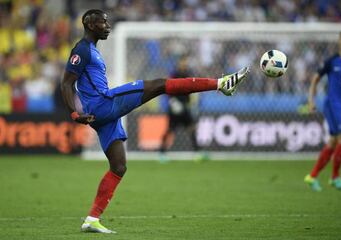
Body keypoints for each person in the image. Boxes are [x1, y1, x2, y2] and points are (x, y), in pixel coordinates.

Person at [61, 9, 249, 233]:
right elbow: (66, 83)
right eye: (103, 22)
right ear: (90, 25)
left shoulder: (92, 50)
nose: (107, 26)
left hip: (101, 115)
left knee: (119, 166)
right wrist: (74, 113)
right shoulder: (81, 49)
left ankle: (92, 219)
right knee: (159, 85)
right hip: (103, 104)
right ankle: (221, 84)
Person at [304, 28, 341, 192]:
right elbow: (315, 79)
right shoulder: (332, 61)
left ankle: (312, 176)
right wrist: (311, 101)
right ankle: (335, 177)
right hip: (332, 105)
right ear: (339, 41)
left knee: (333, 141)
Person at [159, 56, 205, 161]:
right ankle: (162, 152)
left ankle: (197, 153)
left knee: (192, 128)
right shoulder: (174, 74)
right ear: (179, 62)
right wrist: (172, 101)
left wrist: (193, 103)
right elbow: (167, 87)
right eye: (183, 61)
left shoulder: (188, 73)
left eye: (186, 61)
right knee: (170, 130)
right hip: (175, 107)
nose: (185, 63)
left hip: (185, 106)